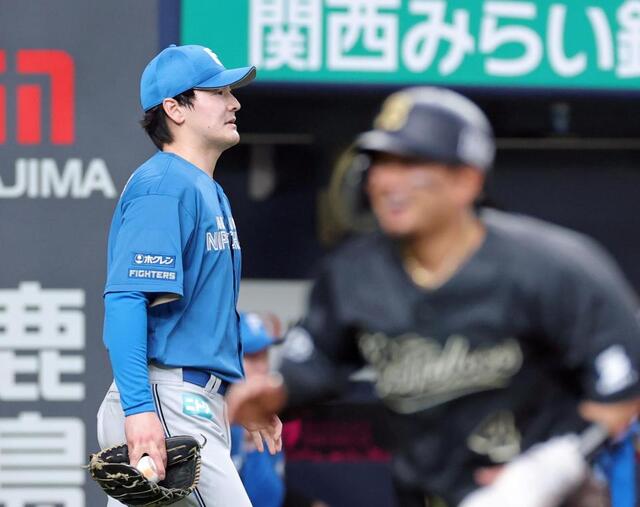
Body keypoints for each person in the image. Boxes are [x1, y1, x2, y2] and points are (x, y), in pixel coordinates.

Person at [227, 87, 640, 507]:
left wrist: (546, 472)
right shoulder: (352, 275)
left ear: (467, 180)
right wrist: (277, 393)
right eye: (382, 163)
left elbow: (623, 382)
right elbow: (318, 357)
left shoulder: (550, 266)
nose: (389, 181)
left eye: (412, 164)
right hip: (427, 491)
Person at [96, 44, 282, 506]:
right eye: (217, 92)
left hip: (190, 399)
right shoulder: (164, 185)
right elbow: (125, 299)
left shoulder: (204, 188)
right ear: (174, 109)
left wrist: (238, 392)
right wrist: (140, 411)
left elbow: (204, 316)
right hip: (166, 400)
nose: (234, 103)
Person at [232, 313, 331, 507]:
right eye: (251, 357)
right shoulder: (211, 417)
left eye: (264, 356)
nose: (261, 367)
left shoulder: (269, 417)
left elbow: (271, 495)